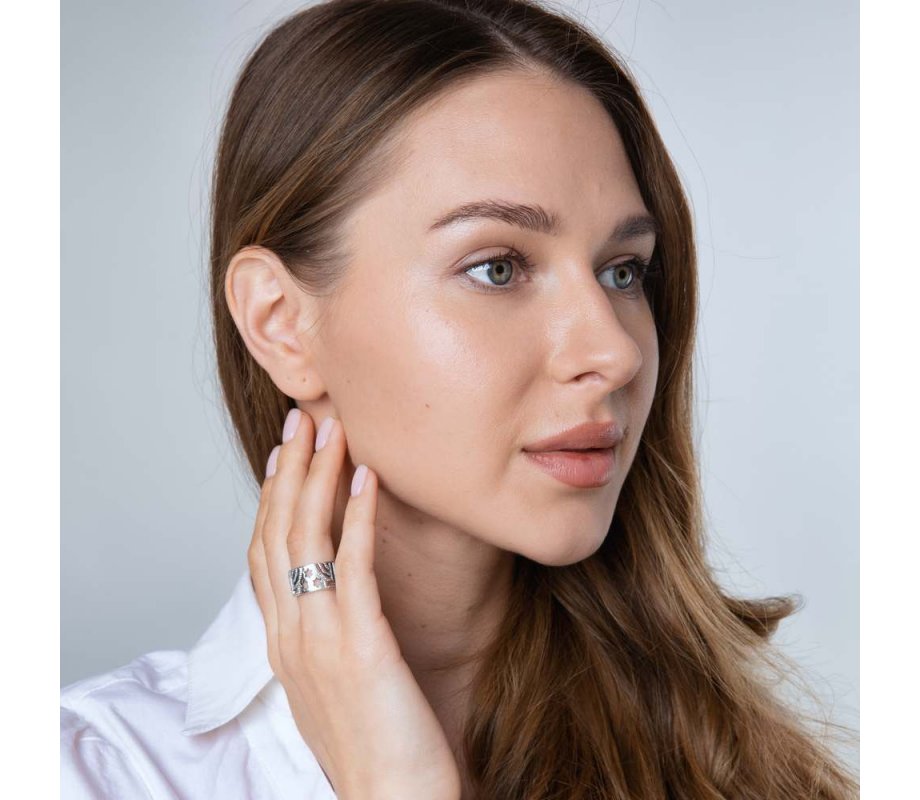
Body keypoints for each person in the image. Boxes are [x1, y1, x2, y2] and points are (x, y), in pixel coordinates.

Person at [60, 0, 859, 797]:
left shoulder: (737, 768)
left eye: (623, 271)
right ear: (281, 324)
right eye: (497, 268)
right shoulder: (92, 773)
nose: (614, 353)